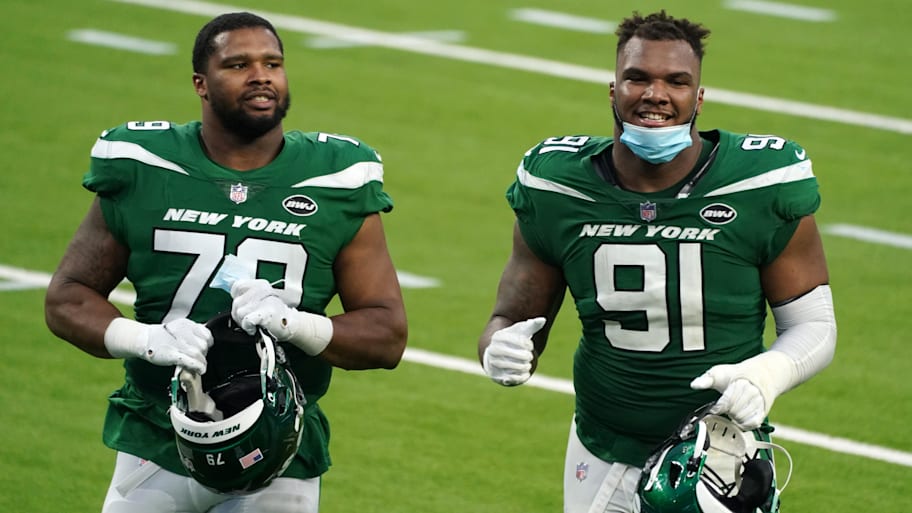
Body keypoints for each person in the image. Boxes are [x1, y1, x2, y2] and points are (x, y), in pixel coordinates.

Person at [45, 11, 407, 513]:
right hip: (157, 438)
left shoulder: (337, 178)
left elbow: (387, 334)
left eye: (272, 63)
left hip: (278, 452)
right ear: (201, 83)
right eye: (238, 65)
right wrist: (146, 339)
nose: (261, 76)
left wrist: (294, 324)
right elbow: (67, 298)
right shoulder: (146, 165)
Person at [477, 10, 836, 513]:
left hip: (719, 455)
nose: (656, 94)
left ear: (699, 97)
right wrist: (498, 349)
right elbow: (512, 319)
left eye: (676, 81)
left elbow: (815, 325)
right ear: (613, 90)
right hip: (602, 447)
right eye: (638, 77)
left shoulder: (760, 183)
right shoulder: (556, 185)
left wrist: (767, 374)